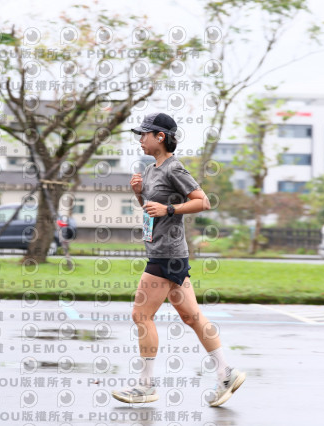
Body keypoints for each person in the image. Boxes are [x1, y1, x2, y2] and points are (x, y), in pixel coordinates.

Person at [111, 112, 246, 406]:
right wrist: (138, 194)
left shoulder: (174, 168)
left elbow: (202, 201)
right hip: (165, 252)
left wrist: (170, 210)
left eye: (145, 134)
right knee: (192, 317)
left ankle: (146, 386)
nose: (140, 139)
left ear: (160, 137)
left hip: (167, 255)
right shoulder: (150, 171)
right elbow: (151, 210)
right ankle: (226, 372)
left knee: (141, 315)